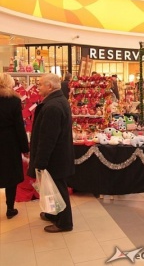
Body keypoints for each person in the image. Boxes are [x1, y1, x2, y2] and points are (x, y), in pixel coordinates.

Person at [27, 73, 75, 233]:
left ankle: (64, 223)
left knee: (58, 189)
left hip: (55, 158)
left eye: (40, 84)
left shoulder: (53, 106)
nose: (37, 87)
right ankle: (54, 214)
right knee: (53, 188)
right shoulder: (57, 102)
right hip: (58, 156)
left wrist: (40, 161)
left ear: (49, 86)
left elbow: (48, 138)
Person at [0, 73, 29, 219]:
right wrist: (25, 148)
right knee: (10, 178)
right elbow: (19, 127)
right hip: (9, 143)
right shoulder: (13, 100)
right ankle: (10, 209)